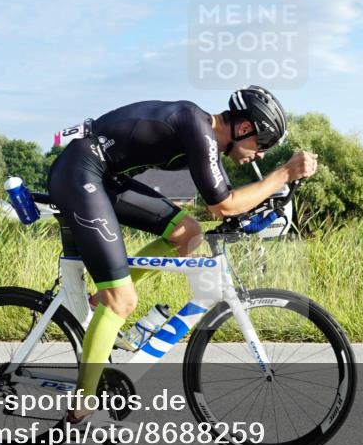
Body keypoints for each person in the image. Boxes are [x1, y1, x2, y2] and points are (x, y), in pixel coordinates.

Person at [47, 85, 318, 425]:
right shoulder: (198, 128)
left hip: (103, 176)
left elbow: (226, 203)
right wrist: (284, 173)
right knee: (122, 301)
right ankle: (82, 407)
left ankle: (100, 300)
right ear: (244, 128)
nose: (261, 155)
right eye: (261, 145)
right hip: (79, 173)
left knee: (188, 234)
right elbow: (223, 205)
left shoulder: (203, 136)